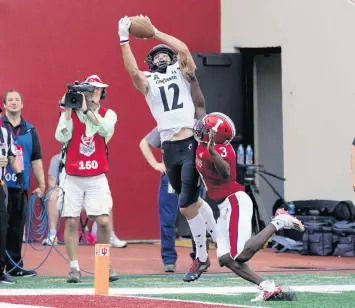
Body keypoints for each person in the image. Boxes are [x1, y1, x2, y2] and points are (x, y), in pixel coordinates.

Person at [119, 15, 216, 281]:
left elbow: (183, 50)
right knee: (189, 203)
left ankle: (202, 256)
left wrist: (155, 33)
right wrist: (124, 40)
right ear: (150, 62)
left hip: (189, 142)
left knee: (185, 202)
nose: (161, 57)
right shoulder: (148, 80)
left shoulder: (181, 72)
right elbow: (131, 71)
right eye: (156, 56)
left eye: (165, 54)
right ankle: (216, 239)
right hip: (168, 148)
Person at [193, 112, 305, 302]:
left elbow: (227, 174)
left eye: (206, 129)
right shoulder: (205, 145)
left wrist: (212, 150)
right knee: (225, 258)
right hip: (224, 205)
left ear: (216, 136)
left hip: (234, 200)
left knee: (240, 255)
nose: (201, 131)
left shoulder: (219, 150)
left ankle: (279, 221)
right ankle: (267, 286)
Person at [55, 75, 119, 283]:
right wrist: (67, 111)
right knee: (71, 222)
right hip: (72, 175)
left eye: (98, 90)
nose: (95, 93)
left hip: (96, 175)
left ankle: (103, 263)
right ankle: (74, 268)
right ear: (83, 92)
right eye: (90, 90)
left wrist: (86, 111)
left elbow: (105, 130)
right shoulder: (71, 112)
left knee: (103, 221)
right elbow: (61, 137)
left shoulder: (108, 113)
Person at [2, 90, 45, 278]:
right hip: (1, 185)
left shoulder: (30, 129)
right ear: (4, 105)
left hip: (20, 185)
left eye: (17, 99)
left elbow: (36, 160)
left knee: (16, 228)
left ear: (22, 105)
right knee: (1, 227)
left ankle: (13, 266)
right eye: (9, 100)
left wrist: (42, 184)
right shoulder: (0, 128)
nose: (13, 102)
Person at [43, 153, 127, 248]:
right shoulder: (58, 159)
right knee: (52, 194)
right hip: (65, 197)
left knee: (104, 197)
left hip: (86, 197)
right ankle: (52, 235)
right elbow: (52, 183)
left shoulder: (88, 159)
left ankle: (109, 235)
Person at [0, 113, 24, 284]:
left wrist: (19, 173)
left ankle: (0, 270)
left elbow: (10, 155)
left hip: (0, 184)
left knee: (2, 228)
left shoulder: (4, 133)